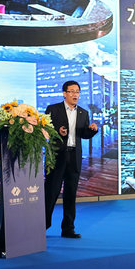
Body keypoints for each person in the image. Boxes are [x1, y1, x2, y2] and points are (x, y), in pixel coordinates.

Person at [44, 81, 98, 238]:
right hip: (57, 156)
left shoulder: (83, 113)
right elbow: (45, 129)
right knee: (51, 193)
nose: (75, 95)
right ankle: (42, 226)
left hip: (74, 157)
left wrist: (92, 130)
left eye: (77, 92)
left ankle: (68, 229)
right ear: (64, 93)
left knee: (71, 194)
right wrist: (57, 131)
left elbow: (84, 135)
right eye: (72, 91)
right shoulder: (53, 109)